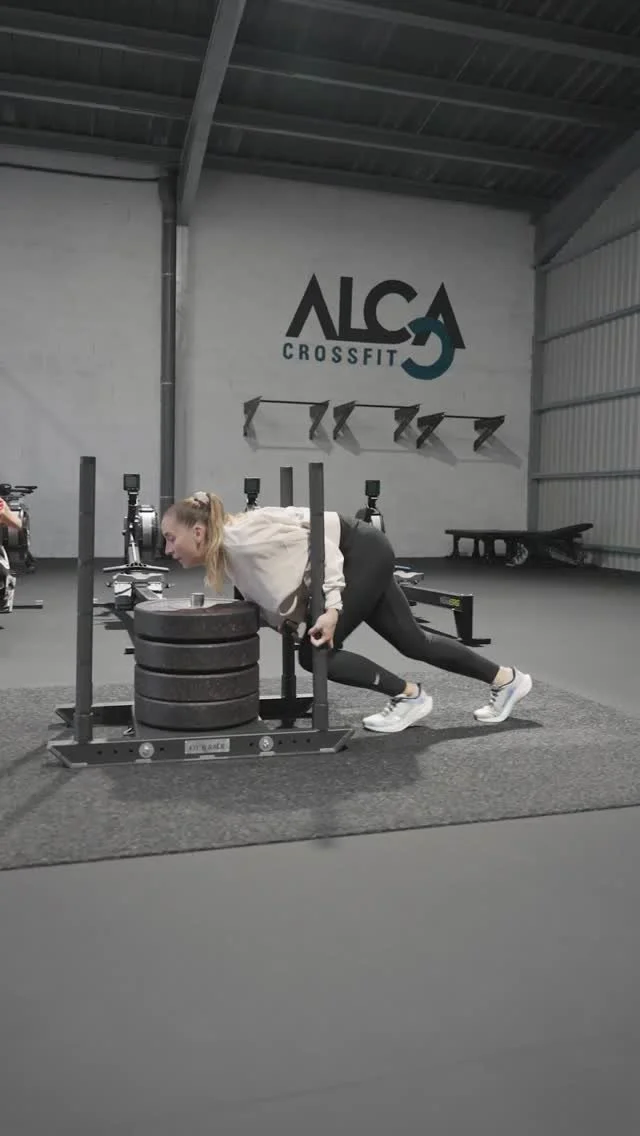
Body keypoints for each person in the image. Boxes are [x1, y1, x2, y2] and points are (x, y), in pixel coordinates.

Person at [160, 492, 532, 734]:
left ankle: (409, 696)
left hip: (357, 551)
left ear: (198, 532)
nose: (167, 549)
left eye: (171, 538)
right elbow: (279, 586)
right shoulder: (229, 548)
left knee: (316, 653)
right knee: (413, 641)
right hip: (363, 549)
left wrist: (332, 609)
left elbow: (321, 549)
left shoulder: (242, 541)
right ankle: (507, 680)